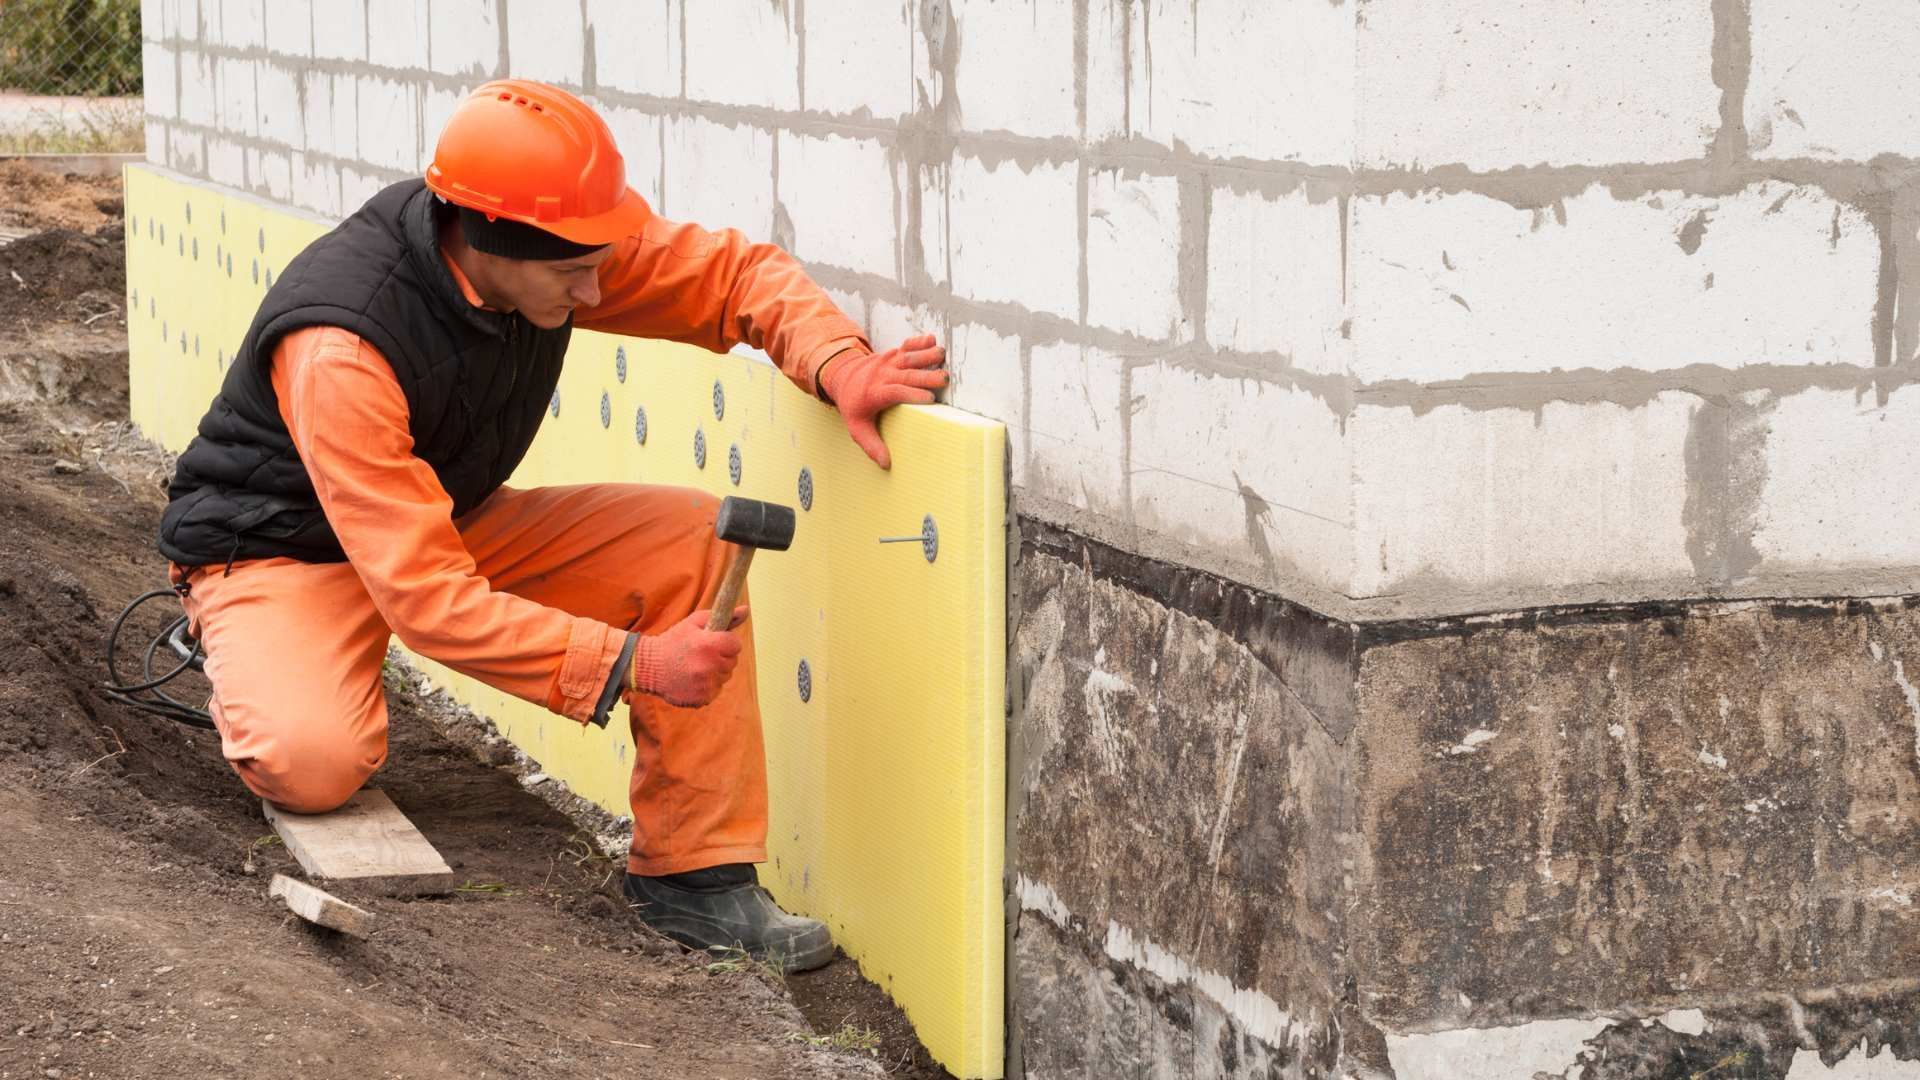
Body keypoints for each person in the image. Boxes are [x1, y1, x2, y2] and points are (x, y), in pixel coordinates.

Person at [155, 78, 947, 973]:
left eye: (599, 259)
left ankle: (695, 879)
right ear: (486, 240)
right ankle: (245, 645)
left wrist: (838, 363)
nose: (601, 287)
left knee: (693, 543)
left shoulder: (554, 245)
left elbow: (733, 275)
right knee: (311, 761)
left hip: (439, 521)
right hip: (282, 552)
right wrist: (636, 664)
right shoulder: (346, 346)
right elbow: (429, 601)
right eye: (575, 273)